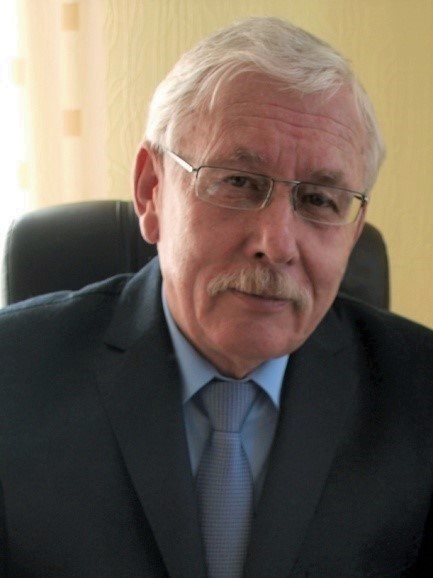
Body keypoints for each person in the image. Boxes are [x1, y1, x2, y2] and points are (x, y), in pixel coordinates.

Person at [1, 15, 433, 578]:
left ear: (353, 231)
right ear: (151, 191)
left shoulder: (421, 396)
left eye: (319, 200)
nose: (276, 244)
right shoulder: (12, 375)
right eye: (238, 182)